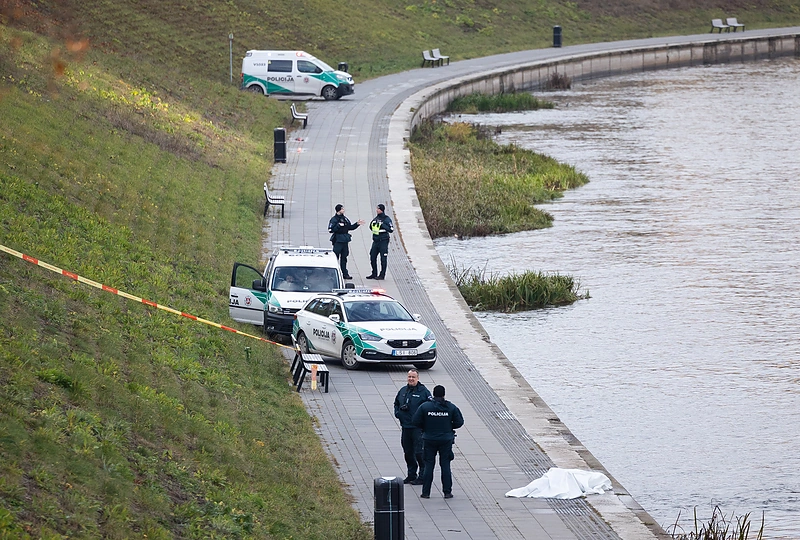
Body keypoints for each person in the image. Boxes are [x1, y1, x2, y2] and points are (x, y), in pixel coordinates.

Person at [412, 384, 464, 499]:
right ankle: (447, 492)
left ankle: (426, 492)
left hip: (429, 439)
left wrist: (425, 427)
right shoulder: (451, 407)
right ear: (444, 395)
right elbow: (459, 422)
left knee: (429, 465)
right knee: (445, 465)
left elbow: (415, 421)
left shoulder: (425, 407)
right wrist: (449, 427)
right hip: (446, 440)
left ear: (433, 394)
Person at [393, 370, 432, 485]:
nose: (411, 379)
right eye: (409, 377)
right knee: (408, 452)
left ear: (418, 378)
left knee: (419, 453)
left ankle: (422, 476)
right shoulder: (403, 391)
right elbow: (396, 403)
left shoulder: (424, 392)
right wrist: (398, 413)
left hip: (418, 429)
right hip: (405, 427)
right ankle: (411, 475)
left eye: (413, 377)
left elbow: (429, 407)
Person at [328, 204, 364, 280]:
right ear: (339, 210)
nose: (343, 210)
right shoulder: (334, 219)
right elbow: (330, 230)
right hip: (338, 240)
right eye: (342, 209)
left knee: (344, 257)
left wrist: (357, 224)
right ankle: (334, 273)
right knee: (335, 257)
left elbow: (350, 227)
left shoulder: (345, 219)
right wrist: (338, 226)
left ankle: (345, 273)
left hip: (345, 240)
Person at [365, 203, 393, 280]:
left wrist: (383, 225)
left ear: (382, 210)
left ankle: (382, 275)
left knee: (383, 258)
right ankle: (374, 273)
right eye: (377, 209)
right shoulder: (376, 218)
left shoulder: (386, 219)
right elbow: (371, 226)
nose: (377, 210)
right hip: (376, 241)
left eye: (378, 209)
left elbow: (391, 229)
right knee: (372, 257)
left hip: (383, 241)